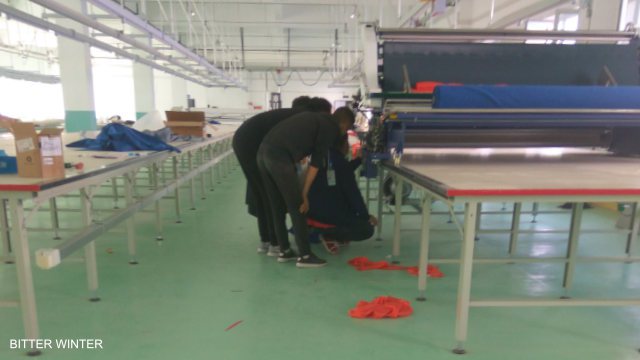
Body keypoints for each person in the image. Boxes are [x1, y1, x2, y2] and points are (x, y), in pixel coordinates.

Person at [257, 107, 355, 268]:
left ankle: (284, 250)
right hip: (278, 157)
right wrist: (304, 193)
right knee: (299, 206)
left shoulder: (316, 118)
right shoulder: (329, 129)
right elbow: (315, 165)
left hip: (262, 154)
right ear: (344, 125)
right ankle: (305, 255)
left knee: (276, 205)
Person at [232, 96, 315, 256]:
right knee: (269, 195)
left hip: (243, 140)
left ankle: (266, 241)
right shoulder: (306, 118)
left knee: (260, 194)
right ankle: (275, 244)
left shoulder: (288, 114)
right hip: (251, 143)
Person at [307, 135, 377, 254]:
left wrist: (358, 160)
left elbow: (339, 171)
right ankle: (329, 234)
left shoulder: (324, 156)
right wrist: (366, 217)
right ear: (344, 144)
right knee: (366, 229)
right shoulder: (342, 164)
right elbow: (355, 197)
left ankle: (324, 232)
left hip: (310, 211)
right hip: (328, 214)